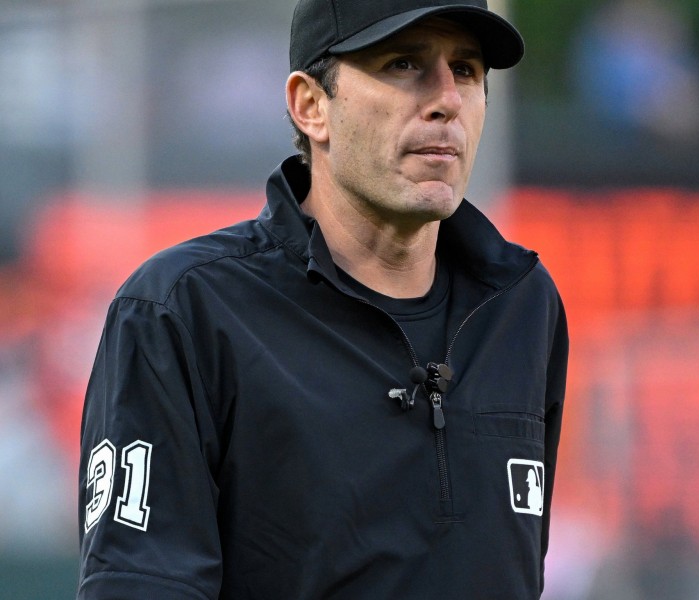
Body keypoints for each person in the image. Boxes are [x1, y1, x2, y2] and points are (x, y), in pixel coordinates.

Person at [77, 0, 569, 598]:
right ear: (311, 106)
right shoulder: (182, 310)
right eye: (404, 64)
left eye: (465, 69)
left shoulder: (521, 305)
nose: (448, 99)